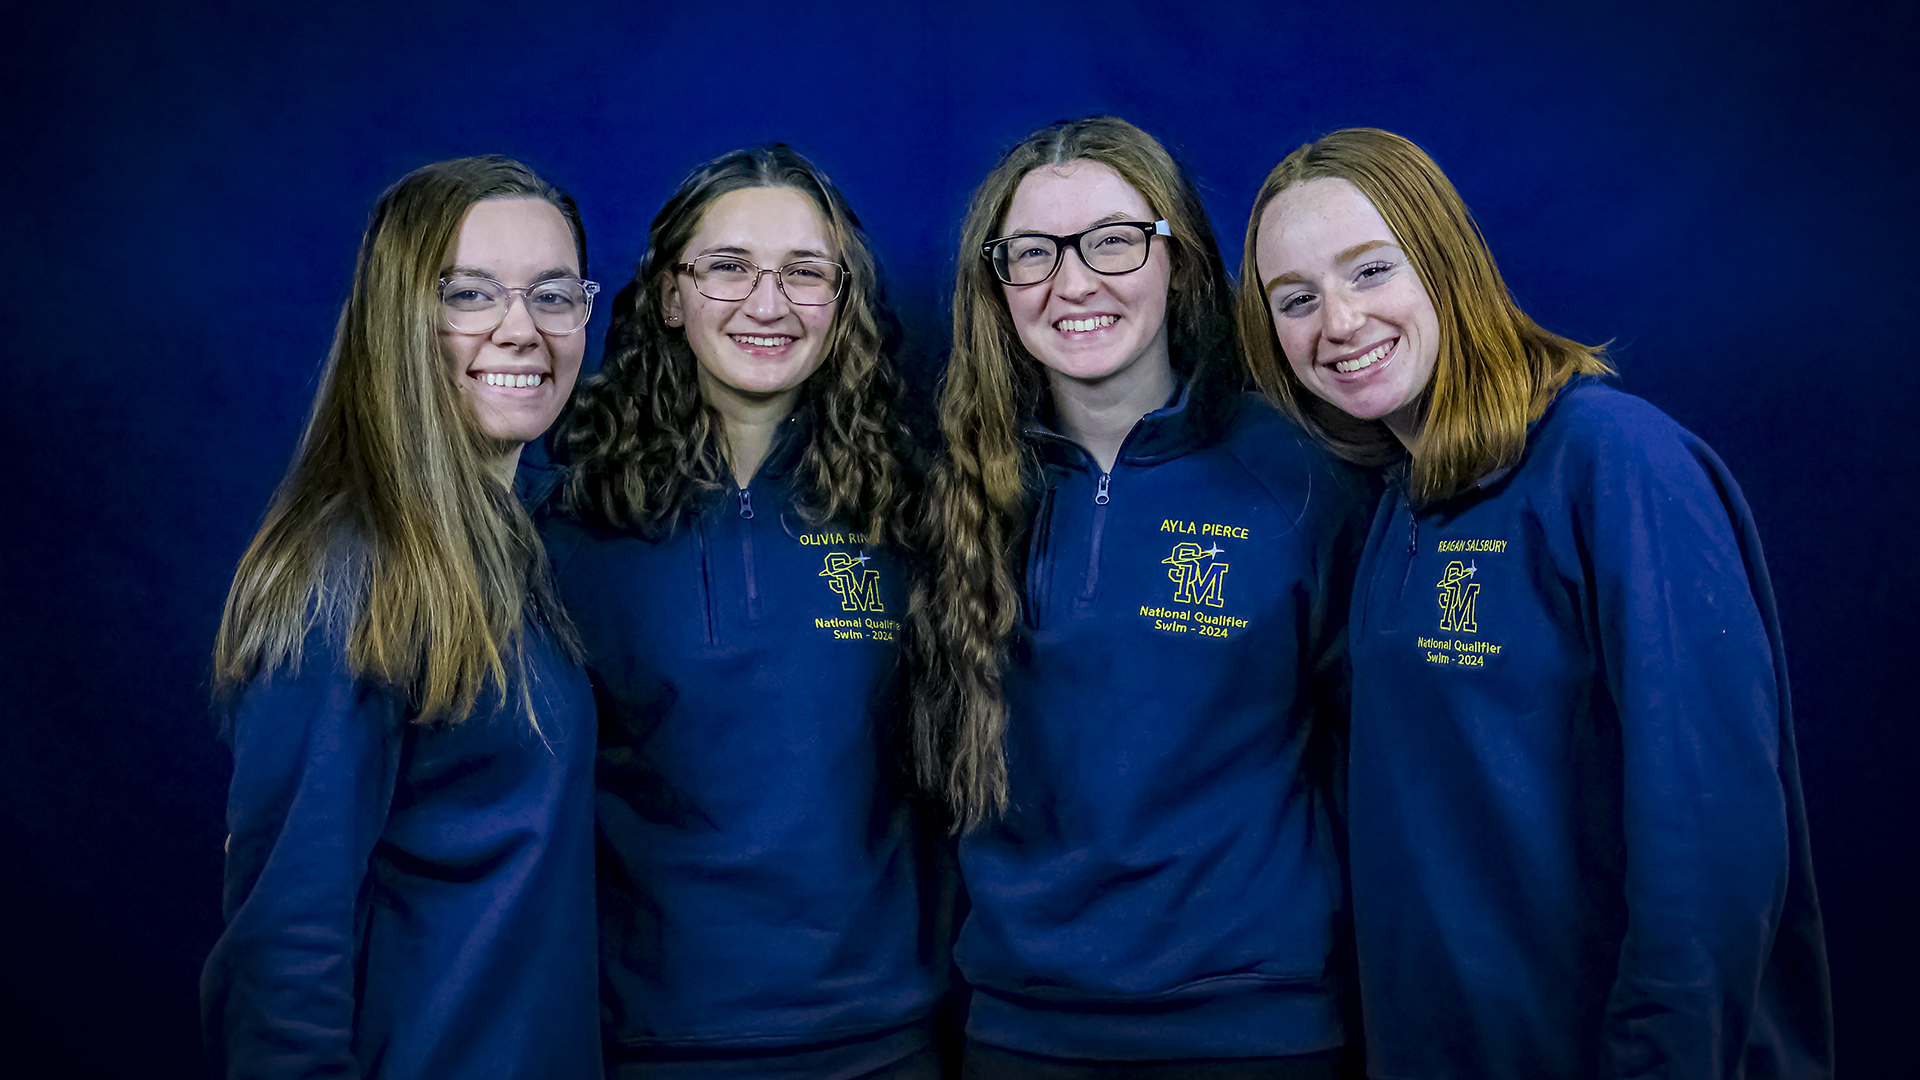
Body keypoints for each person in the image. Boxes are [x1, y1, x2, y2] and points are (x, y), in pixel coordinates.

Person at [1238, 127, 1834, 1079]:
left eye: (1371, 269)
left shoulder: (1614, 459)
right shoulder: (1393, 502)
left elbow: (1712, 842)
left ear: (1446, 263)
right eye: (1296, 298)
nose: (1338, 321)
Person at [911, 116, 1372, 1078]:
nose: (1073, 282)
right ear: (997, 286)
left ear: (1179, 259)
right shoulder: (956, 492)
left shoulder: (1301, 475)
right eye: (1033, 253)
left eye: (1113, 242)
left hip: (1257, 1026)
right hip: (1022, 1032)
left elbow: (1371, 762)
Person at [545, 145, 945, 1079]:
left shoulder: (918, 512)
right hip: (651, 1044)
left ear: (842, 302)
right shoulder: (563, 526)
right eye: (728, 267)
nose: (768, 304)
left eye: (805, 272)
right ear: (669, 295)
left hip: (885, 1042)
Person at [202, 156, 601, 1078]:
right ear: (400, 318)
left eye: (553, 294)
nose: (521, 329)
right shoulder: (348, 573)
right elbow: (282, 953)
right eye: (469, 294)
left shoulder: (528, 544)